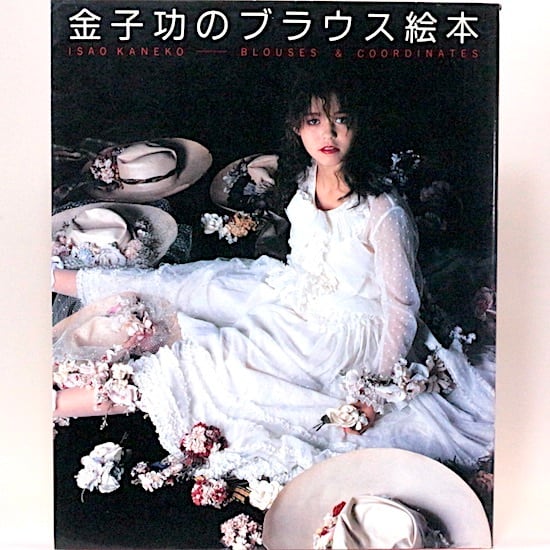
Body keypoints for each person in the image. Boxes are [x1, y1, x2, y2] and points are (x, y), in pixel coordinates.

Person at [51, 74, 494, 484]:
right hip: (290, 291)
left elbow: (401, 310)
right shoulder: (305, 178)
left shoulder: (382, 210)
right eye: (315, 121)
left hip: (343, 334)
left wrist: (373, 394)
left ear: (359, 127)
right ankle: (53, 277)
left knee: (207, 364)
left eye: (341, 121)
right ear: (298, 127)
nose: (328, 134)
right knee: (191, 285)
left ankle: (50, 405)